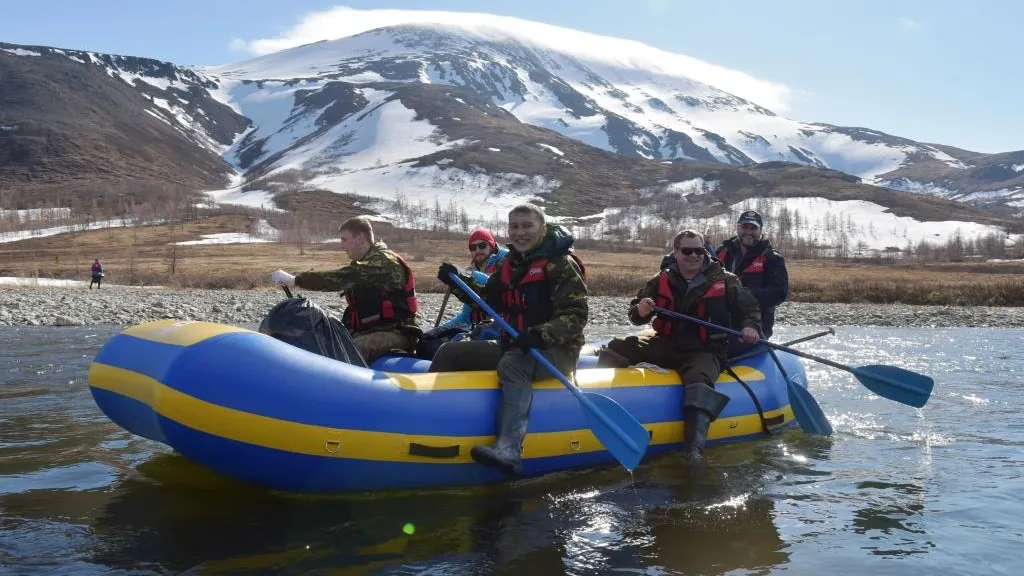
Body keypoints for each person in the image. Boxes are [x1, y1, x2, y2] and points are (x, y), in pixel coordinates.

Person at [429, 204, 588, 476]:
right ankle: (427, 423)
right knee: (450, 352)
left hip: (556, 350)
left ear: (543, 228)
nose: (520, 232)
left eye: (527, 226)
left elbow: (576, 316)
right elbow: (484, 302)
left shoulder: (561, 264)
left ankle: (510, 450)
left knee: (513, 365)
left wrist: (541, 334)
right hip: (515, 343)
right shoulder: (508, 264)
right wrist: (458, 283)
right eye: (514, 226)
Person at [597, 229, 762, 464]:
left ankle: (693, 451)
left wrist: (751, 327)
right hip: (666, 343)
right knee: (617, 347)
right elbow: (636, 315)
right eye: (687, 251)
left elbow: (750, 310)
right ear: (676, 253)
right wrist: (641, 310)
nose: (693, 256)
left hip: (704, 349)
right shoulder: (661, 278)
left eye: (699, 250)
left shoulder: (726, 280)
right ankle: (609, 412)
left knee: (698, 380)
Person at [271, 216, 422, 364]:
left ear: (360, 238)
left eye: (344, 239)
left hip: (397, 333)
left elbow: (340, 278)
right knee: (325, 340)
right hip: (369, 331)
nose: (342, 246)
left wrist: (296, 280)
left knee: (350, 350)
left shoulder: (383, 263)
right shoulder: (365, 263)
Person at [714, 210, 789, 339]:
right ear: (738, 228)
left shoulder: (772, 258)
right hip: (721, 323)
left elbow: (779, 293)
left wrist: (740, 295)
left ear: (760, 230)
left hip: (757, 325)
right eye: (744, 227)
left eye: (753, 228)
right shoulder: (722, 251)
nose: (748, 232)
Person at [435, 227, 509, 335]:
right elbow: (466, 317)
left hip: (507, 327)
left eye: (482, 246)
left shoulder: (507, 261)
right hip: (484, 327)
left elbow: (491, 289)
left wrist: (466, 277)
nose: (478, 250)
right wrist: (440, 330)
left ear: (492, 246)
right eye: (473, 247)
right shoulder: (474, 270)